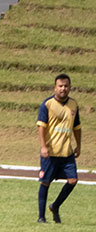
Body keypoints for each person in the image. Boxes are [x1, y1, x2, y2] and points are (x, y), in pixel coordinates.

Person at [36, 73, 82, 223]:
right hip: (50, 152)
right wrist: (43, 146)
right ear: (55, 88)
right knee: (45, 182)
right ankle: (41, 217)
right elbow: (41, 126)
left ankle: (55, 206)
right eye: (60, 86)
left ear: (70, 87)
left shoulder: (74, 105)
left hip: (66, 152)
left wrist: (79, 145)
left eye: (66, 86)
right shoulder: (47, 104)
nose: (63, 89)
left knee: (73, 180)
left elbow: (77, 127)